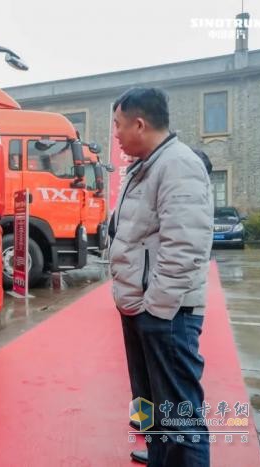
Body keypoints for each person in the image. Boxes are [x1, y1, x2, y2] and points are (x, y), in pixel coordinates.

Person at [109, 88, 213, 466]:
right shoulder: (147, 165)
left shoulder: (177, 165)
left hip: (167, 313)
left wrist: (157, 308)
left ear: (140, 123)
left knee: (180, 414)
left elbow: (185, 245)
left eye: (119, 126)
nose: (116, 135)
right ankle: (158, 456)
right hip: (142, 307)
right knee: (150, 401)